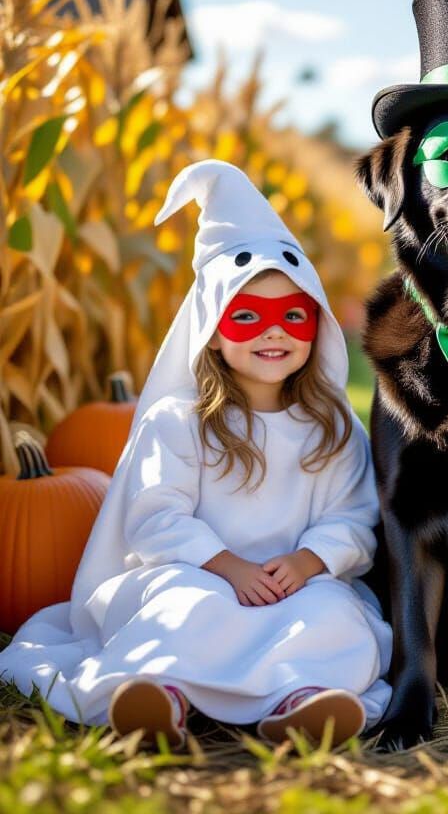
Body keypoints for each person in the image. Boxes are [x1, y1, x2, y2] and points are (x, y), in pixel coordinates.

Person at [0, 160, 392, 748]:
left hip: (297, 587)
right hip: (200, 574)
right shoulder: (179, 421)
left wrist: (309, 562)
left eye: (292, 315)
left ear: (316, 325)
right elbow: (155, 518)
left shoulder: (331, 426)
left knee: (336, 618)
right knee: (182, 608)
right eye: (247, 317)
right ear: (210, 326)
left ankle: (302, 699)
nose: (273, 332)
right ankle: (160, 696)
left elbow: (355, 516)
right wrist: (226, 567)